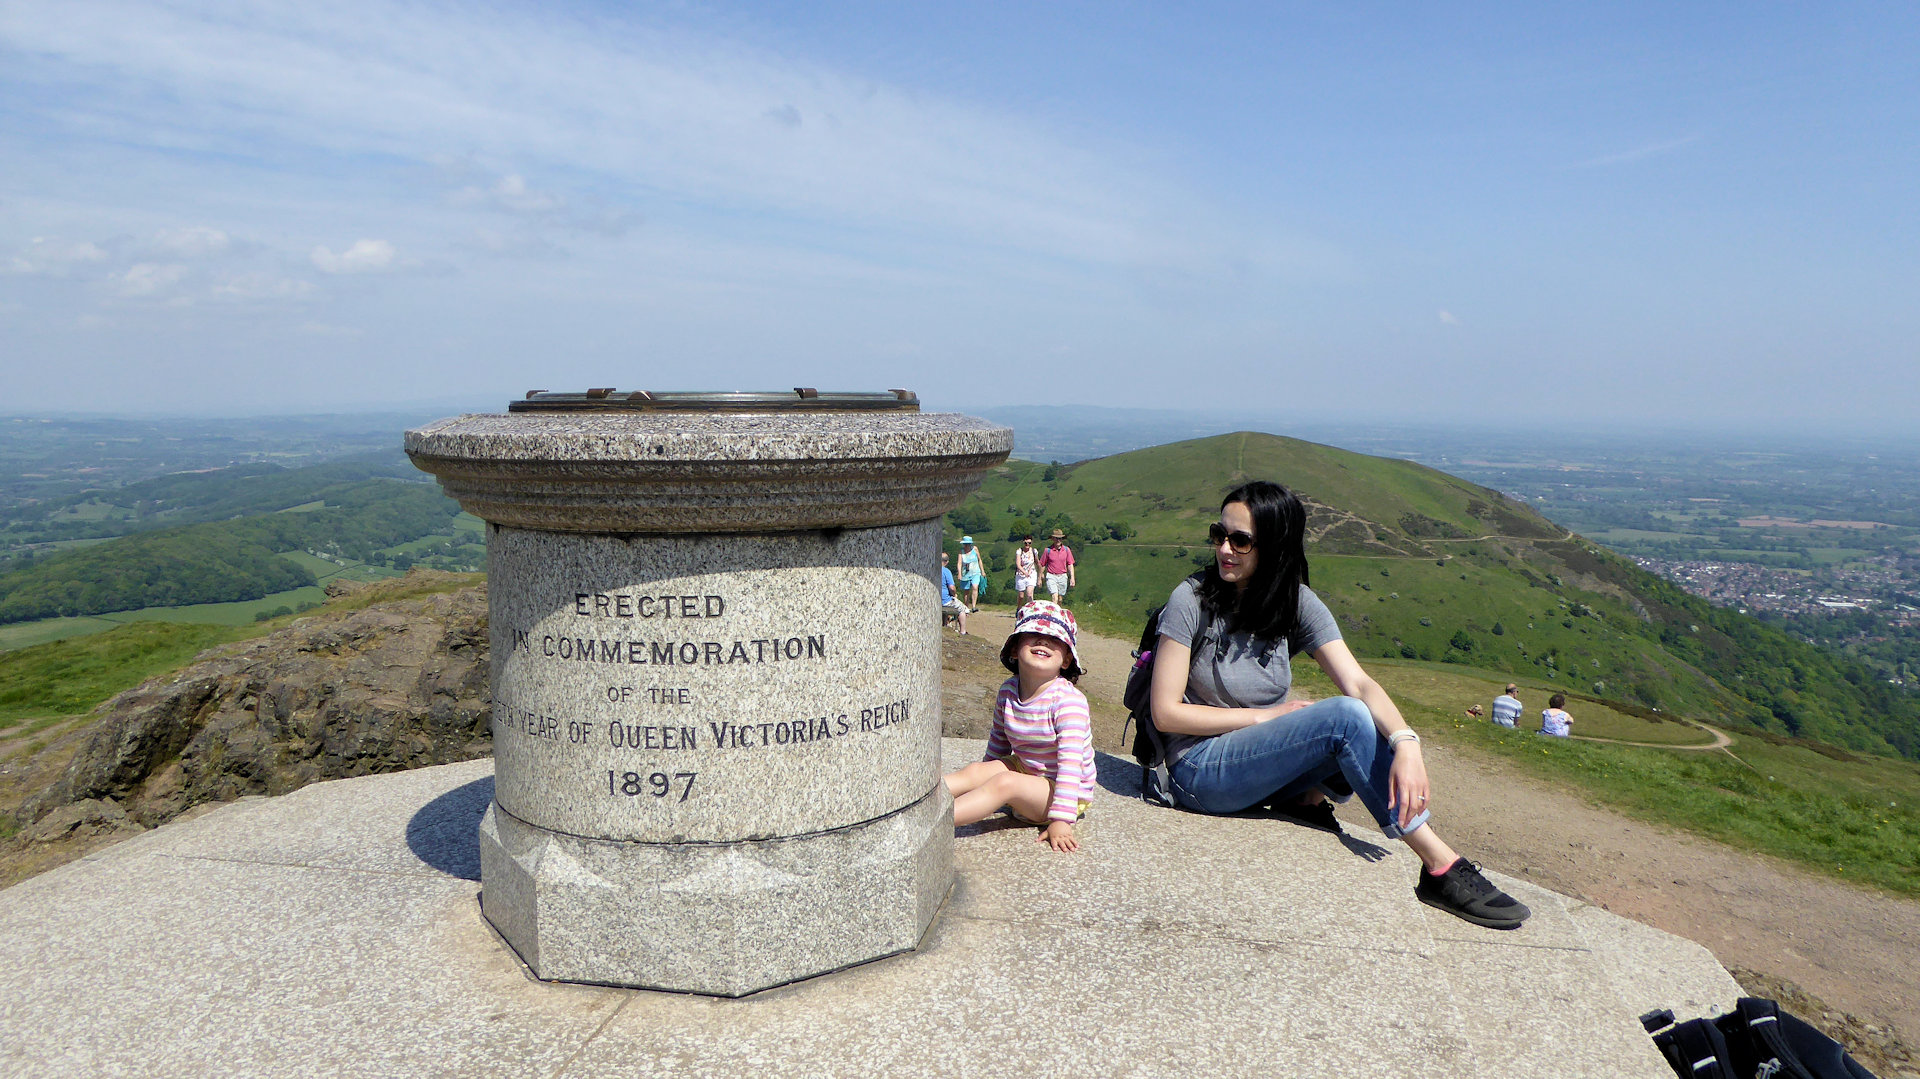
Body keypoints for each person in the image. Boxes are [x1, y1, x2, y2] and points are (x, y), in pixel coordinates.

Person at [1148, 480, 1530, 929]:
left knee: (1363, 712)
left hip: (1252, 757)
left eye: (1241, 540)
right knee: (1343, 718)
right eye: (1219, 534)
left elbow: (1359, 682)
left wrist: (1408, 744)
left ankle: (1303, 797)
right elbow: (1165, 712)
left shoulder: (1294, 603)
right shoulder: (1190, 600)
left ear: (1275, 546)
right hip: (1197, 768)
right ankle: (1439, 866)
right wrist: (1268, 715)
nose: (1224, 549)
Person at [941, 601, 1095, 852]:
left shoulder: (1068, 702)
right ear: (1014, 649)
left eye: (1053, 640)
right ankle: (921, 799)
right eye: (1033, 635)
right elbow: (998, 742)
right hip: (1026, 769)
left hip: (1062, 791)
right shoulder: (1008, 691)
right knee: (975, 772)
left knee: (1004, 784)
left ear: (1066, 660)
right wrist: (982, 776)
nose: (1043, 642)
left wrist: (1061, 819)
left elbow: (1071, 763)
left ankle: (932, 823)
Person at [1039, 528, 1075, 604]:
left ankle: (1058, 612)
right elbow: (1042, 564)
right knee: (1054, 596)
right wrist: (1039, 577)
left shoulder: (1066, 550)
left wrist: (1072, 577)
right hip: (1051, 575)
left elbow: (1070, 564)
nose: (1058, 540)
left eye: (1060, 538)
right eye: (1056, 538)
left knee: (1060, 599)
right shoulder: (1048, 550)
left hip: (1062, 576)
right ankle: (1054, 614)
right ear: (1053, 539)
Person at [939, 552, 968, 634]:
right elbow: (952, 587)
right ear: (946, 562)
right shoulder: (946, 571)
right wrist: (954, 594)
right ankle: (963, 631)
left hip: (935, 599)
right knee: (963, 609)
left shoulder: (932, 568)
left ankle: (945, 624)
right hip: (945, 600)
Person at [956, 536, 984, 612]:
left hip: (976, 572)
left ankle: (974, 606)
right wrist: (959, 573)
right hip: (965, 573)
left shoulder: (975, 549)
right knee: (966, 591)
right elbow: (959, 563)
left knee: (975, 587)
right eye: (965, 544)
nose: (967, 546)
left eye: (968, 544)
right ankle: (966, 607)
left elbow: (979, 560)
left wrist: (982, 571)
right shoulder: (961, 551)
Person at [1013, 535, 1039, 607]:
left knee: (1029, 594)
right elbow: (1018, 564)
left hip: (1031, 574)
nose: (1027, 545)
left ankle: (1030, 610)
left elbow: (1037, 562)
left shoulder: (1034, 551)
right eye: (1026, 543)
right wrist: (1024, 572)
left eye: (1029, 543)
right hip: (1021, 575)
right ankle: (1019, 607)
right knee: (1021, 596)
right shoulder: (1019, 551)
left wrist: (1040, 572)